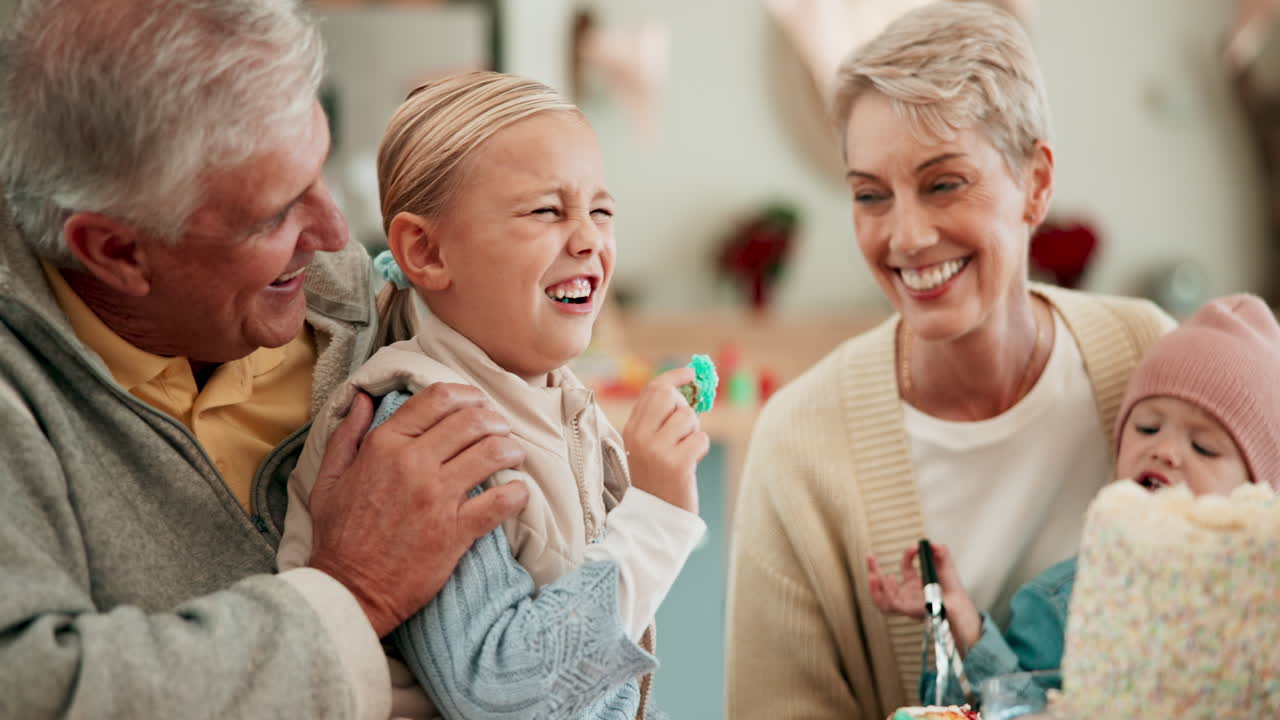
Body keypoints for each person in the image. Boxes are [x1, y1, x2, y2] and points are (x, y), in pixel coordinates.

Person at [0, 2, 652, 717]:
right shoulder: (20, 406)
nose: (338, 234)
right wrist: (351, 591)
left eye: (320, 168)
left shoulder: (370, 309)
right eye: (275, 213)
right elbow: (36, 691)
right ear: (117, 251)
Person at [724, 3, 1175, 718]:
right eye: (871, 196)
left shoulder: (1150, 360)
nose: (904, 237)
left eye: (943, 183)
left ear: (1036, 183)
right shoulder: (799, 442)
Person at [277, 71, 709, 719]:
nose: (590, 238)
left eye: (601, 210)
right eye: (546, 210)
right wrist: (654, 519)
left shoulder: (554, 403)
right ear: (425, 251)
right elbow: (501, 693)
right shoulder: (426, 436)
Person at [866, 293, 1280, 707]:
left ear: (1260, 494)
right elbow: (1011, 703)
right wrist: (963, 624)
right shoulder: (1067, 598)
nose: (1165, 450)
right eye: (1148, 427)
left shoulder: (1264, 602)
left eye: (1204, 447)